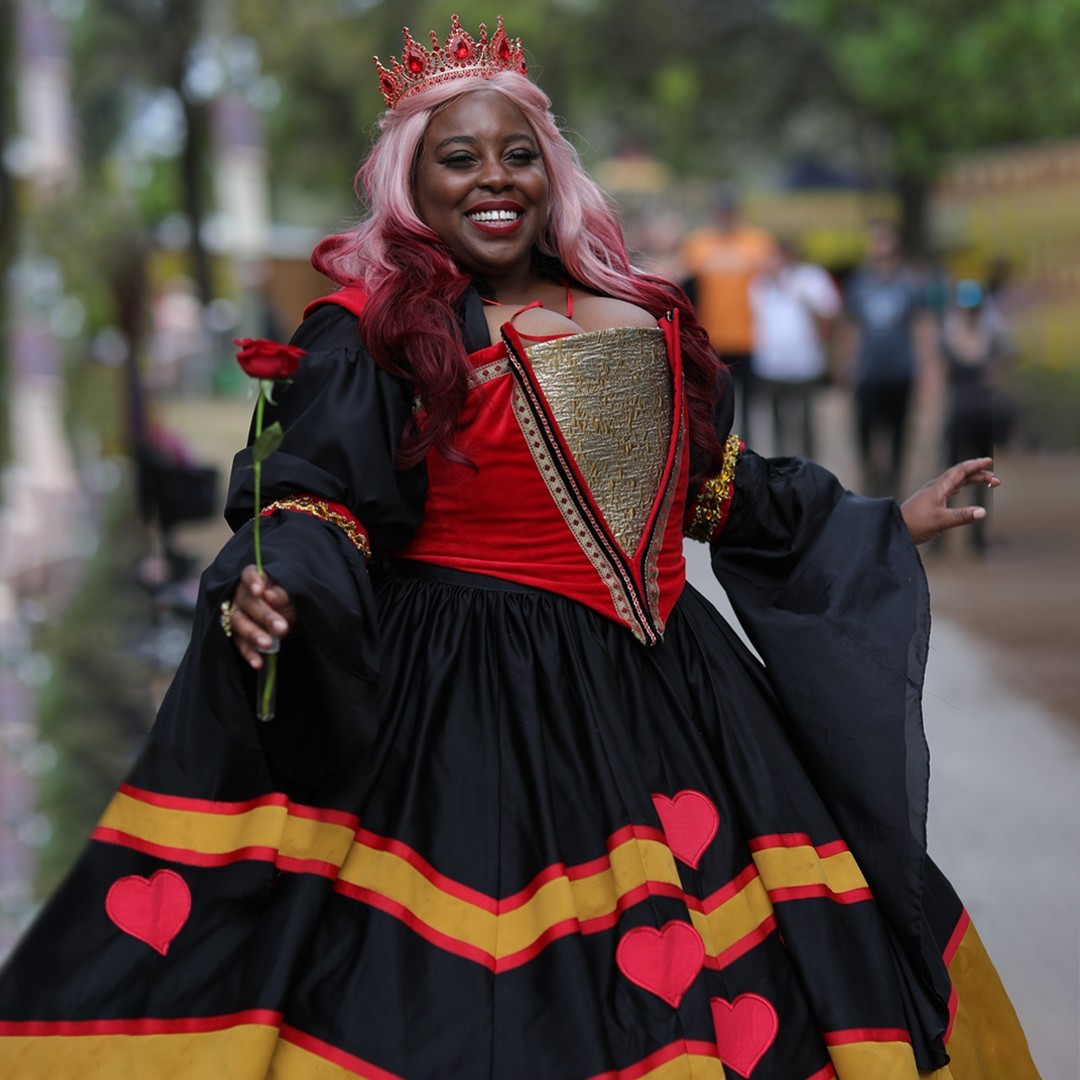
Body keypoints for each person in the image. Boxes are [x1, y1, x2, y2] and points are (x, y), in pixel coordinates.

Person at [0, 16, 1038, 1079]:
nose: (493, 179)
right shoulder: (375, 334)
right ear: (414, 181)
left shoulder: (631, 313)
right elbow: (318, 503)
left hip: (681, 699)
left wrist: (884, 522)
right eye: (459, 158)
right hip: (471, 703)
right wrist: (275, 587)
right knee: (488, 1000)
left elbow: (707, 484)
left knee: (762, 978)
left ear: (554, 173)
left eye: (518, 154)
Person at [841, 220, 935, 499]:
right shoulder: (859, 283)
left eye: (883, 240)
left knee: (899, 432)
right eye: (874, 240)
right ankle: (871, 480)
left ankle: (894, 485)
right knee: (865, 432)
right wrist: (848, 364)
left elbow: (922, 327)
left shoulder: (910, 283)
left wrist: (925, 369)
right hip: (869, 372)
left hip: (899, 370)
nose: (878, 246)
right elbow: (852, 327)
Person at [681, 183, 775, 443]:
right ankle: (718, 457)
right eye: (721, 210)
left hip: (751, 338)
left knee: (752, 407)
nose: (725, 215)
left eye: (729, 210)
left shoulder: (757, 242)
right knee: (717, 406)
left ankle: (749, 455)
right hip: (712, 340)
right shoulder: (697, 244)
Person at [748, 237, 841, 458]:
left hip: (805, 362)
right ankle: (780, 462)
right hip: (772, 363)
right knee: (776, 419)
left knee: (806, 418)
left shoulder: (812, 277)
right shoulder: (761, 283)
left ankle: (809, 462)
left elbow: (830, 313)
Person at [938, 279, 1009, 551]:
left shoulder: (992, 334)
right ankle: (939, 534)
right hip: (958, 412)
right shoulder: (949, 333)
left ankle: (978, 538)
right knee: (949, 474)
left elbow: (999, 375)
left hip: (983, 413)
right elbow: (938, 378)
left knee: (983, 477)